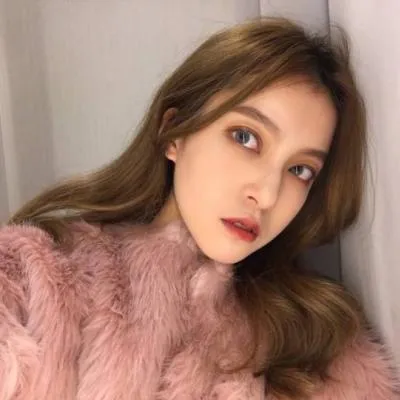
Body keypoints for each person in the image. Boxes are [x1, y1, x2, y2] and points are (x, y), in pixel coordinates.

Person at [0, 17, 398, 400]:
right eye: (246, 137)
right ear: (173, 133)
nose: (268, 195)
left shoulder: (316, 344)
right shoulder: (31, 279)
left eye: (300, 170)